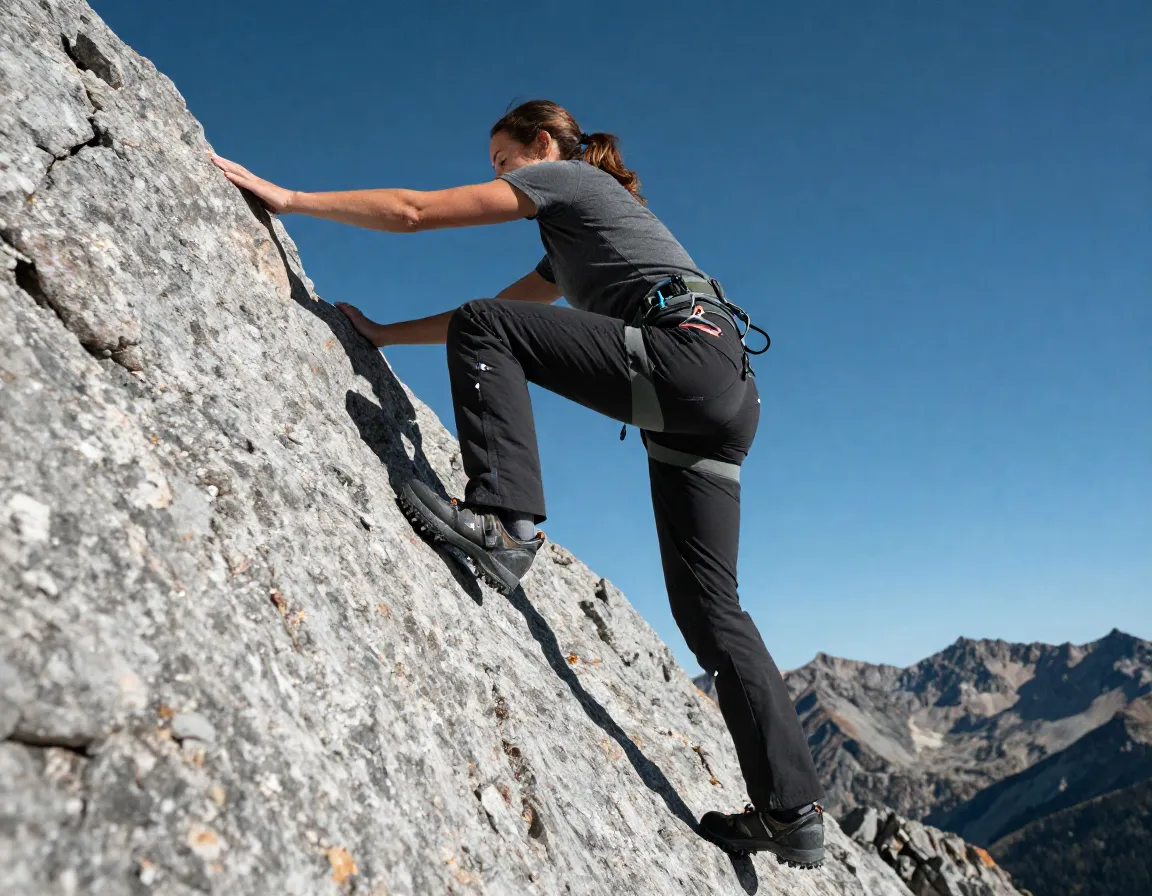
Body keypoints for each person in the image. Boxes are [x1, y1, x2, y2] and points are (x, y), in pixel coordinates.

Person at [210, 99, 825, 867]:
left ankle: (504, 523)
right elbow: (500, 316)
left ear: (542, 146)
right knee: (711, 609)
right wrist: (385, 334)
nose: (496, 178)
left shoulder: (569, 181)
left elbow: (412, 214)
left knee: (485, 329)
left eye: (502, 163)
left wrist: (291, 199)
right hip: (724, 396)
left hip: (685, 362)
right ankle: (790, 811)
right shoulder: (568, 249)